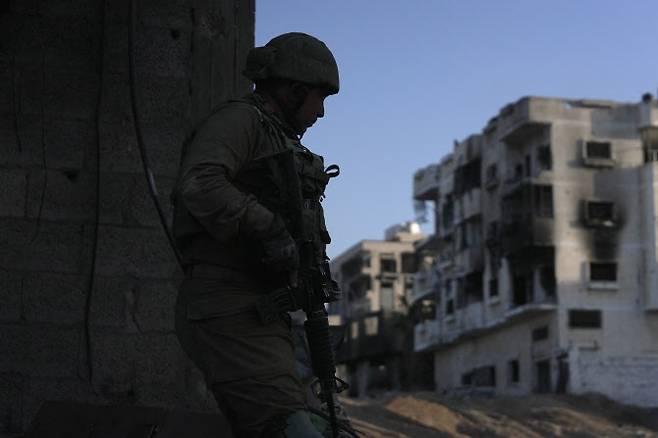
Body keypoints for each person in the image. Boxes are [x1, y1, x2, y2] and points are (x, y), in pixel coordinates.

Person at [172, 32, 346, 437]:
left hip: (265, 313)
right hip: (230, 307)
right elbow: (199, 182)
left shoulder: (276, 137)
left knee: (322, 426)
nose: (320, 113)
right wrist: (267, 227)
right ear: (294, 90)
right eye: (320, 98)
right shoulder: (240, 120)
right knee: (290, 430)